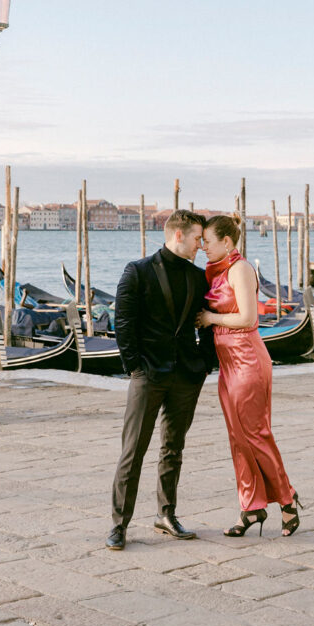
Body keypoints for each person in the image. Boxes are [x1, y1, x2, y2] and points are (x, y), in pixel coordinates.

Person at [106, 209, 215, 551]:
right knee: (133, 451)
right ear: (178, 235)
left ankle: (165, 514)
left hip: (186, 374)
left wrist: (205, 363)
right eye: (198, 238)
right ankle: (119, 525)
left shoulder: (200, 277)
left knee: (174, 448)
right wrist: (135, 367)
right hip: (148, 373)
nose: (201, 244)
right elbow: (123, 323)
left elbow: (207, 322)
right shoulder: (136, 272)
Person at [196, 214, 302, 537]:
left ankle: (287, 500)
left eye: (207, 242)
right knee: (237, 438)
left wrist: (210, 318)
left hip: (247, 361)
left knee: (256, 435)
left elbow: (247, 317)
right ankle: (251, 506)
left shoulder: (240, 269)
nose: (203, 247)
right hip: (228, 366)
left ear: (226, 242)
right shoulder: (215, 273)